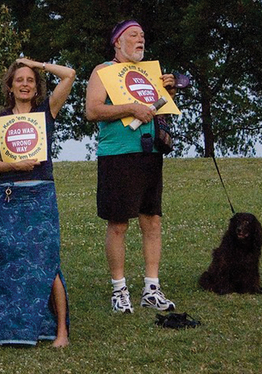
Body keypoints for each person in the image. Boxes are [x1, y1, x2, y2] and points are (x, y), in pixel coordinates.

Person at [0, 58, 75, 348]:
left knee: (47, 262)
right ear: (10, 86)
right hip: (9, 195)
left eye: (30, 80)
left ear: (36, 88)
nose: (24, 84)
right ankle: (6, 332)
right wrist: (14, 166)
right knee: (8, 264)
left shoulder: (47, 111)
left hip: (41, 194)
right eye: (19, 79)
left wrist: (34, 64)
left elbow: (70, 75)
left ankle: (60, 332)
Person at [85, 20, 178, 314]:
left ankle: (152, 288)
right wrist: (129, 108)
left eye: (142, 35)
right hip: (117, 154)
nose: (140, 40)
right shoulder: (103, 71)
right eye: (133, 35)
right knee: (119, 223)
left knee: (152, 220)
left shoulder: (147, 72)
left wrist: (169, 93)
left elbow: (158, 110)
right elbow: (92, 110)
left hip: (149, 151)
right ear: (117, 42)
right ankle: (119, 290)